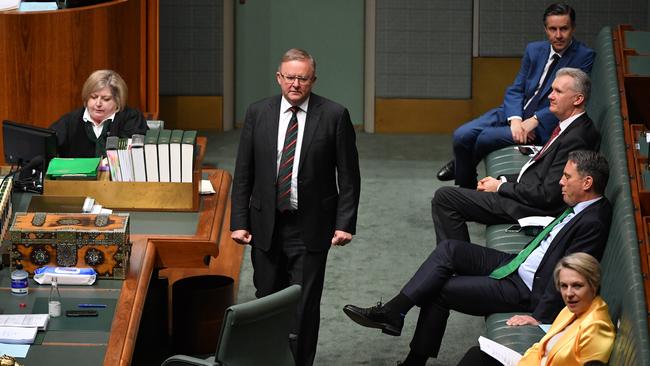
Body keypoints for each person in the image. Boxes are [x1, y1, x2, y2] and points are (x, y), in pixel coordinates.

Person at [343, 150, 611, 366]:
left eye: (567, 177)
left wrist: (540, 316)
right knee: (449, 249)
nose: (561, 182)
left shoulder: (593, 220)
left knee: (440, 290)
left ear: (587, 183)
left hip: (526, 287)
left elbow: (573, 273)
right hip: (517, 263)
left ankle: (413, 357)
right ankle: (394, 311)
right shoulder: (580, 207)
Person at [230, 48, 361, 366]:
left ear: (313, 80)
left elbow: (348, 175)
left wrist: (345, 223)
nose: (295, 84)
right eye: (290, 77)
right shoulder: (258, 112)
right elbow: (244, 171)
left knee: (303, 307)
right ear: (279, 78)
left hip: (311, 226)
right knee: (266, 300)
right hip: (266, 224)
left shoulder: (334, 115)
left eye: (303, 78)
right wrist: (239, 220)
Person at [433, 67, 599, 245]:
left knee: (445, 199)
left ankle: (455, 261)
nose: (550, 96)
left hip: (531, 209)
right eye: (552, 90)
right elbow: (542, 175)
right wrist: (503, 179)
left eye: (558, 91)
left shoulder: (577, 137)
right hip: (526, 194)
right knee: (450, 196)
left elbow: (549, 195)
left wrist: (500, 186)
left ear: (578, 99)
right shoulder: (570, 127)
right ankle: (456, 258)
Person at [436, 3, 595, 188]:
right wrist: (515, 119)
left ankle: (464, 186)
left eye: (564, 29)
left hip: (542, 125)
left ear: (573, 28)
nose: (558, 35)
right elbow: (516, 89)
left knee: (484, 138)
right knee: (461, 135)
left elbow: (569, 100)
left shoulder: (584, 56)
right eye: (553, 29)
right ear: (545, 29)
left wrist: (535, 120)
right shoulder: (534, 50)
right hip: (513, 112)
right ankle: (463, 173)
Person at [457, 252, 615, 366]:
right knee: (476, 355)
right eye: (563, 286)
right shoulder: (573, 308)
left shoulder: (596, 327)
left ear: (593, 285)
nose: (569, 294)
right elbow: (541, 347)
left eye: (577, 286)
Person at [50, 69, 147, 158]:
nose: (98, 103)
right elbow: (47, 145)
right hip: (77, 177)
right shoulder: (70, 121)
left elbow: (137, 156)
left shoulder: (132, 119)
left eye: (106, 99)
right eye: (93, 97)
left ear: (118, 101)